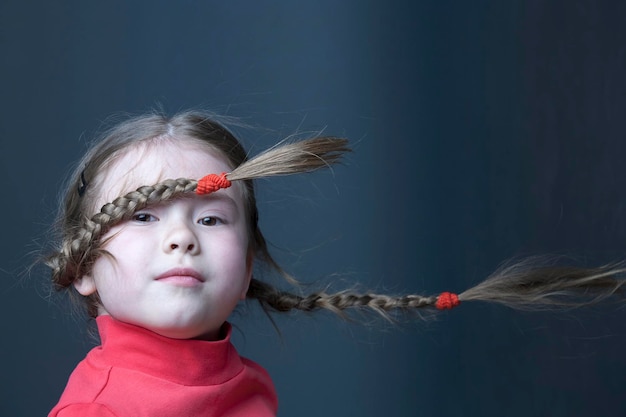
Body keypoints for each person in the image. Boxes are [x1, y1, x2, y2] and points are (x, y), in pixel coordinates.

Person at [46, 110, 626, 417]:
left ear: (248, 266)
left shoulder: (248, 387)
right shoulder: (95, 411)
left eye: (212, 218)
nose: (181, 238)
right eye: (143, 217)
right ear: (83, 267)